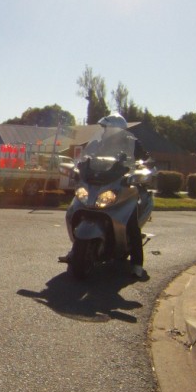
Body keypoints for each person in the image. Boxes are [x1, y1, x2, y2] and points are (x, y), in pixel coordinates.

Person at [59, 113, 151, 279]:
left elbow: (144, 158)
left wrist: (139, 167)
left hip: (121, 184)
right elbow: (85, 157)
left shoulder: (131, 141)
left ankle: (137, 263)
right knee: (77, 208)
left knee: (131, 222)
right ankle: (75, 251)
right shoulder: (98, 142)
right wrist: (78, 168)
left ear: (118, 128)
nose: (105, 130)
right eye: (103, 127)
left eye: (107, 127)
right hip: (98, 182)